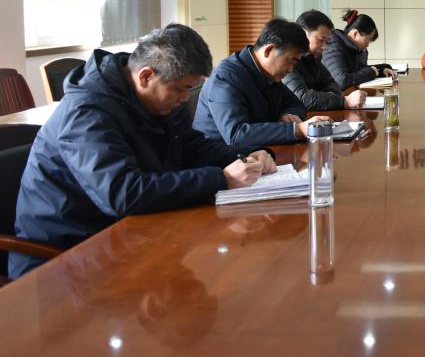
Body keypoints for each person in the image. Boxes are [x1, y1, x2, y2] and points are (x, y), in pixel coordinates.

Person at [10, 24, 276, 279]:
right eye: (181, 89)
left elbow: (193, 146)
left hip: (122, 235)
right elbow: (123, 194)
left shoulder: (157, 100)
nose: (185, 98)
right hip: (64, 257)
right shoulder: (86, 114)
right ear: (146, 76)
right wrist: (222, 178)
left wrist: (248, 154)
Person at [193, 18, 330, 147]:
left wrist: (288, 115)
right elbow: (237, 135)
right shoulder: (226, 78)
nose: (291, 69)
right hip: (221, 158)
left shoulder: (267, 73)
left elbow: (296, 104)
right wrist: (296, 129)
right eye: (291, 60)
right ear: (269, 50)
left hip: (257, 152)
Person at [284, 9, 366, 111]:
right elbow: (302, 98)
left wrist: (322, 97)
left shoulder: (313, 57)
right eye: (321, 40)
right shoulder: (288, 60)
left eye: (327, 42)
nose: (324, 47)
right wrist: (344, 101)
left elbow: (333, 86)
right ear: (303, 33)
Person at [323, 13, 396, 90]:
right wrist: (372, 72)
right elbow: (342, 81)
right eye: (368, 40)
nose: (367, 45)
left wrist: (382, 69)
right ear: (355, 34)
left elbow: (360, 71)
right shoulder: (333, 46)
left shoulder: (355, 49)